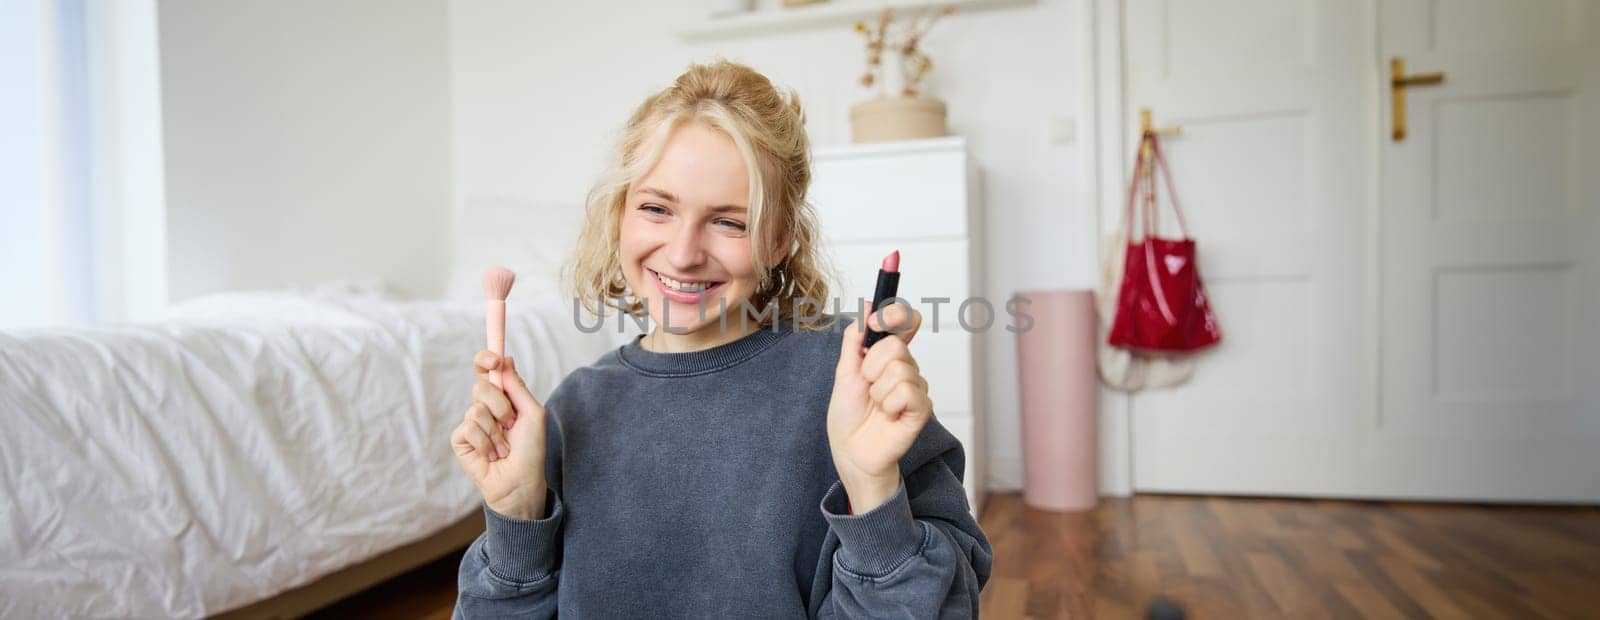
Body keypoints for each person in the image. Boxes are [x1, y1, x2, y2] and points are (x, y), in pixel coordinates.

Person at [450, 59, 991, 618]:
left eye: (730, 222)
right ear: (619, 215)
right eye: (657, 208)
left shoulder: (854, 383)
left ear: (780, 240)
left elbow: (946, 605)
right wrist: (515, 518)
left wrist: (872, 488)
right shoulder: (571, 410)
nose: (684, 253)